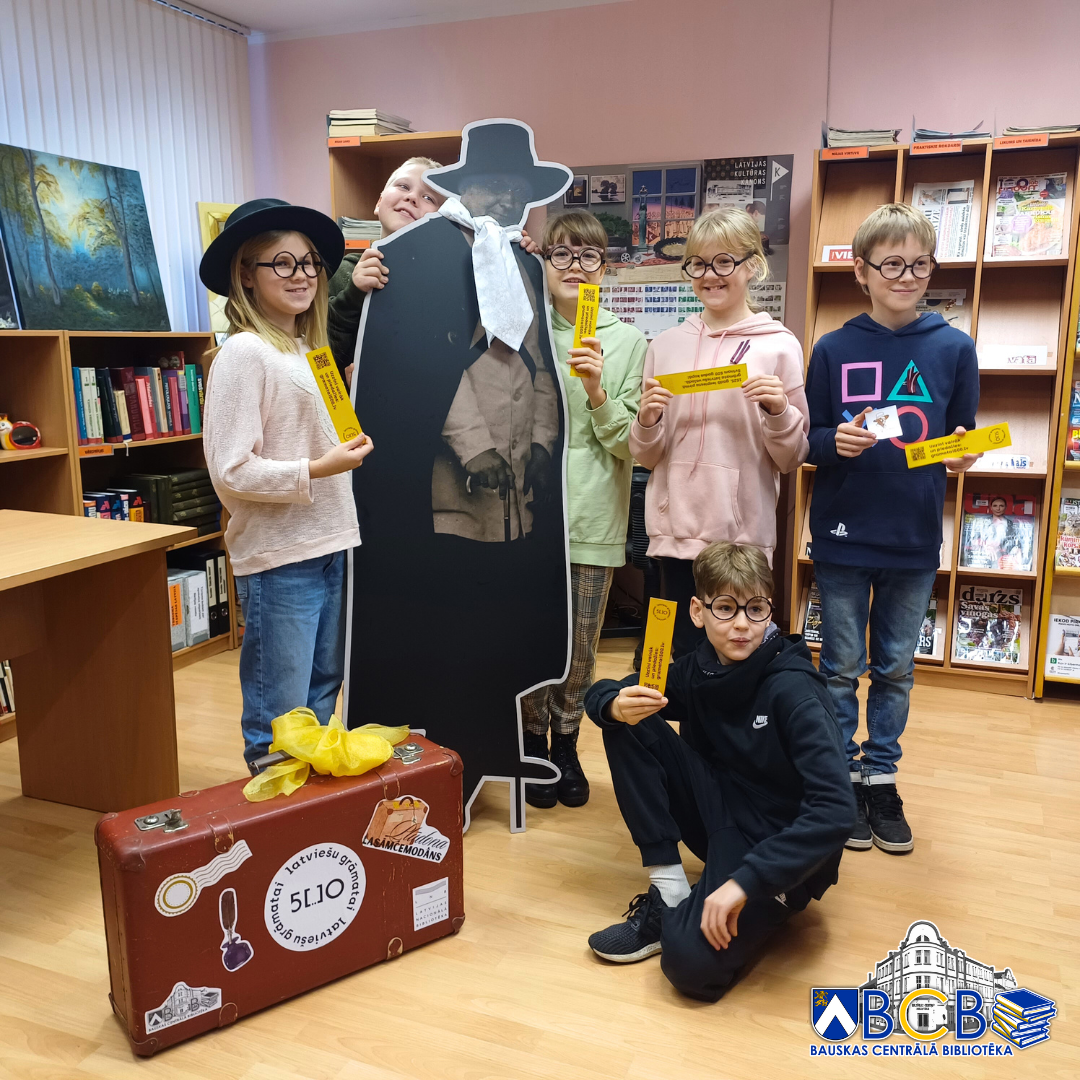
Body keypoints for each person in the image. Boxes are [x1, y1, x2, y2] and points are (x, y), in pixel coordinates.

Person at [583, 541, 854, 1002]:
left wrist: (747, 882)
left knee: (689, 966)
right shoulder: (700, 668)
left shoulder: (795, 692)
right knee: (629, 716)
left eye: (756, 608)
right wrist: (609, 703)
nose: (742, 624)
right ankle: (669, 893)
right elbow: (619, 689)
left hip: (775, 846)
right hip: (722, 813)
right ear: (698, 611)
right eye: (726, 608)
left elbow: (836, 811)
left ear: (770, 610)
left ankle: (747, 905)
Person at [805, 202, 981, 855]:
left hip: (913, 535)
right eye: (892, 265)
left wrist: (962, 455)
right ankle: (840, 779)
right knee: (839, 668)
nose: (907, 277)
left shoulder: (954, 347)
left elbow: (962, 435)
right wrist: (834, 441)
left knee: (897, 668)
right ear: (862, 271)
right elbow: (808, 440)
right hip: (843, 535)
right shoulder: (833, 347)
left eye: (919, 265)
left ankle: (880, 777)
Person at [199, 199, 374, 765]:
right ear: (246, 275)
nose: (301, 276)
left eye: (309, 263)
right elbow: (231, 469)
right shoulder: (244, 353)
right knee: (279, 711)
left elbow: (324, 437)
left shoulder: (311, 352)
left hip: (333, 542)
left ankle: (312, 812)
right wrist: (316, 469)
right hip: (281, 555)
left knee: (321, 697)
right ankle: (275, 805)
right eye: (282, 263)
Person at [629, 207, 809, 658]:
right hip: (672, 533)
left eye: (724, 261)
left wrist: (779, 411)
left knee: (733, 660)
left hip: (741, 539)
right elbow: (646, 456)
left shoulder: (779, 345)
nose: (710, 275)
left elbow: (792, 457)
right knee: (672, 659)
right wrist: (646, 421)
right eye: (698, 264)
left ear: (753, 265)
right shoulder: (665, 345)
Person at [520, 210, 647, 810]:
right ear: (544, 263)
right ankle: (531, 744)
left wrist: (597, 389)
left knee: (580, 649)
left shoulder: (628, 341)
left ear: (605, 267)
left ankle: (566, 743)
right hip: (525, 519)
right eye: (562, 254)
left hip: (594, 516)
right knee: (529, 638)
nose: (575, 266)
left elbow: (629, 444)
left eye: (589, 255)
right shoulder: (520, 329)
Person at [327, 156, 445, 381]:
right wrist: (353, 295)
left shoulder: (444, 285)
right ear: (379, 202)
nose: (411, 197)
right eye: (403, 186)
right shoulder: (342, 272)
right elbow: (318, 356)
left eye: (428, 197)